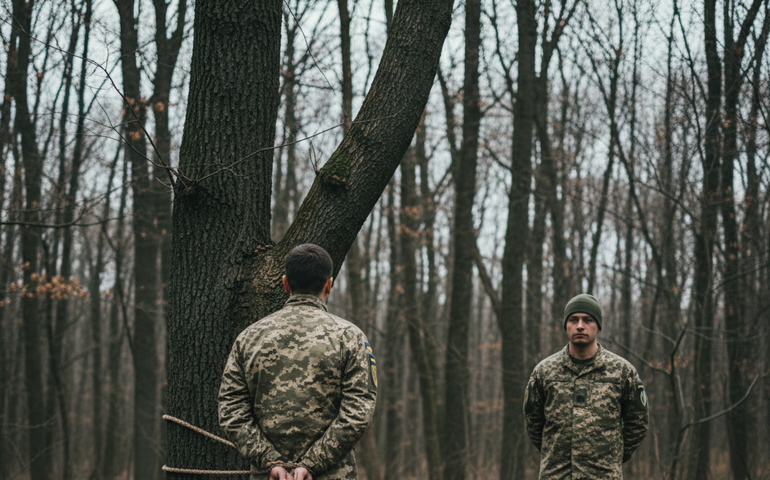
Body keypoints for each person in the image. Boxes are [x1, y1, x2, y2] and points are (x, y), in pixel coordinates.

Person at [219, 244, 377, 480]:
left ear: (285, 283)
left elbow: (231, 409)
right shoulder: (351, 338)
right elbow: (358, 412)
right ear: (329, 285)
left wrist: (270, 461)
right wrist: (312, 464)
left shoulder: (249, 338)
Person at [523, 293, 648, 479]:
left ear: (598, 327)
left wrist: (611, 459)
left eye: (587, 320)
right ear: (566, 325)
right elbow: (533, 423)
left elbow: (637, 424)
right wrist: (556, 455)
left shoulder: (622, 372)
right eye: (573, 320)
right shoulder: (544, 371)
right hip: (557, 475)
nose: (580, 326)